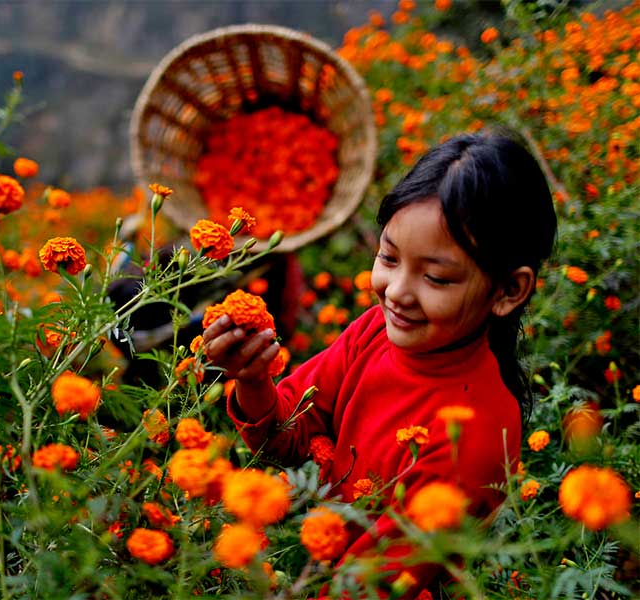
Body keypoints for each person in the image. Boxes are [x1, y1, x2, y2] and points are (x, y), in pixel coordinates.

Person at [202, 131, 557, 597]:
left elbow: (367, 585)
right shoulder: (374, 331)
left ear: (509, 291)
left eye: (435, 277)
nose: (396, 291)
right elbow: (290, 437)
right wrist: (252, 381)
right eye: (389, 257)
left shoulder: (472, 439)